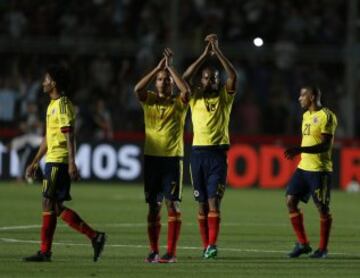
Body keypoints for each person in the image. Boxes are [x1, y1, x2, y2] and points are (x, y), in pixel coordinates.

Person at [24, 65, 106, 262]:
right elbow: (48, 137)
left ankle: (45, 252)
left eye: (45, 79)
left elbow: (69, 136)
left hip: (58, 161)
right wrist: (35, 161)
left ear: (53, 83)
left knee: (47, 202)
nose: (43, 83)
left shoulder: (62, 105)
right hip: (51, 160)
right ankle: (95, 237)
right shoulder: (52, 105)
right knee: (56, 207)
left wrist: (71, 163)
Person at [183, 34, 237, 259]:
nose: (211, 81)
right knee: (201, 205)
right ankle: (206, 245)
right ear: (201, 81)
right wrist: (205, 54)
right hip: (197, 155)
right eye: (206, 78)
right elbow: (184, 78)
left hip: (217, 155)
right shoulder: (194, 96)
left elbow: (232, 75)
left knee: (214, 200)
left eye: (214, 78)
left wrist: (218, 52)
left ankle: (212, 245)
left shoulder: (225, 97)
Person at [134, 48, 190, 263]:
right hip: (152, 159)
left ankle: (171, 253)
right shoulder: (148, 100)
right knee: (153, 207)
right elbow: (137, 88)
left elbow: (185, 91)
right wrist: (157, 68)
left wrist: (170, 68)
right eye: (159, 80)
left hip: (172, 160)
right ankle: (154, 250)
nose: (163, 82)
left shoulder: (179, 103)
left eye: (166, 80)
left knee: (173, 205)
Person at [284, 85, 337, 258]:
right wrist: (301, 153)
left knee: (322, 208)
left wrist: (299, 150)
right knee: (290, 201)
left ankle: (322, 249)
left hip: (319, 170)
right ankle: (303, 243)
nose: (299, 98)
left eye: (302, 95)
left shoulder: (327, 116)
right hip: (303, 167)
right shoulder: (306, 115)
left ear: (312, 97)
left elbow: (325, 145)